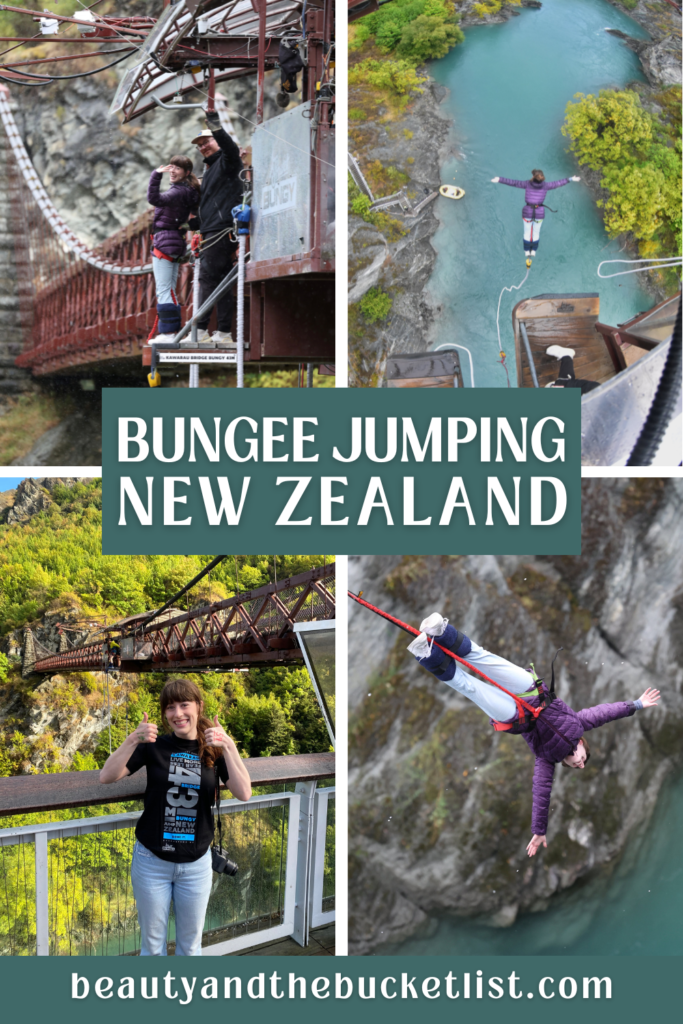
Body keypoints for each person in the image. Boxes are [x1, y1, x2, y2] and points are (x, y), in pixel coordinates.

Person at [407, 614, 660, 858]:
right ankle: (441, 631)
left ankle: (426, 653)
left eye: (578, 766)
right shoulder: (580, 724)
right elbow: (606, 712)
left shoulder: (547, 759)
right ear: (583, 745)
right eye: (584, 759)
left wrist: (539, 831)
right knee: (482, 658)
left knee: (470, 687)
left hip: (514, 717)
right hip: (532, 690)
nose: (580, 764)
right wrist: (637, 704)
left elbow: (541, 793)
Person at [99, 677, 251, 955]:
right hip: (151, 862)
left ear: (199, 706)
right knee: (152, 949)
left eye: (184, 704)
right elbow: (107, 776)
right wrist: (134, 738)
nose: (178, 713)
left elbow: (244, 792)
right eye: (170, 708)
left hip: (196, 864)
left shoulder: (214, 747)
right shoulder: (153, 745)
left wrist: (229, 746)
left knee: (190, 948)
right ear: (164, 714)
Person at [190, 110, 245, 348]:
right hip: (216, 231)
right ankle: (223, 332)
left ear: (216, 140)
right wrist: (192, 226)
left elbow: (231, 149)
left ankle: (201, 329)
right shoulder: (210, 170)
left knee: (208, 279)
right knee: (223, 283)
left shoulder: (227, 162)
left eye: (207, 141)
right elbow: (210, 205)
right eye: (199, 145)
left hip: (220, 232)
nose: (203, 147)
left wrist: (216, 127)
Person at [147, 157, 200, 342]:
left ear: (186, 173)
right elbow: (200, 215)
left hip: (165, 243)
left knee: (164, 289)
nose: (172, 171)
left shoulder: (177, 192)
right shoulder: (187, 191)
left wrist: (156, 175)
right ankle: (172, 332)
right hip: (173, 241)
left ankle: (169, 334)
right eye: (172, 167)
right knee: (168, 289)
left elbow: (154, 198)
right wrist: (187, 225)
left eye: (177, 168)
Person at [491, 169, 580, 257]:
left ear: (533, 177)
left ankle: (526, 251)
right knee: (536, 233)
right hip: (539, 213)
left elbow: (513, 182)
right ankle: (533, 251)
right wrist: (571, 179)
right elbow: (558, 183)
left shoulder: (527, 184)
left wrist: (499, 179)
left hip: (527, 212)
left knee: (527, 232)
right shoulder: (546, 186)